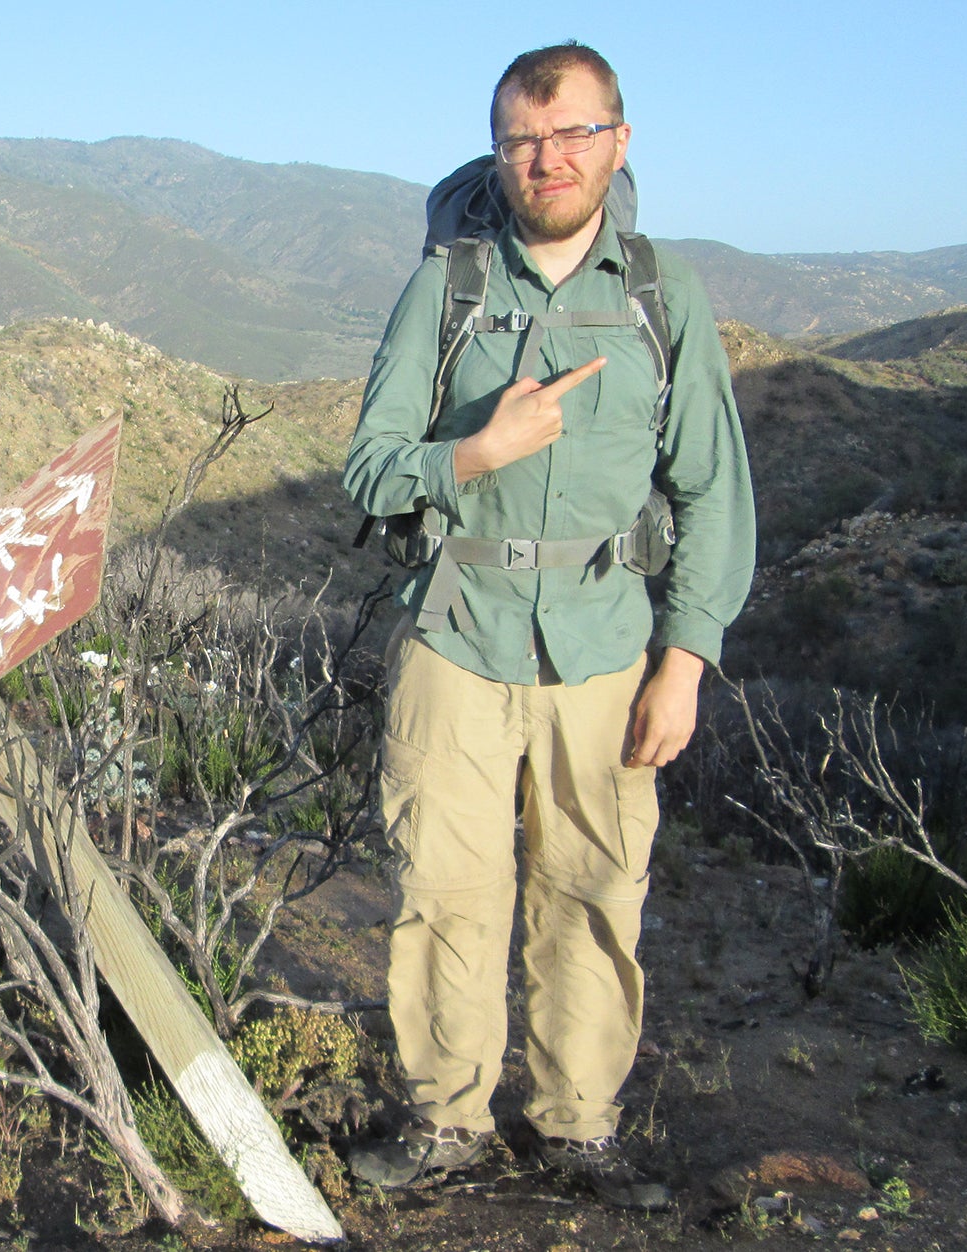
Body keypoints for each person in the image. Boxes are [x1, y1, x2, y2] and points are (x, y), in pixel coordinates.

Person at [340, 42, 755, 1207]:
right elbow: (369, 468)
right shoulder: (448, 286)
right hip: (456, 631)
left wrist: (684, 662)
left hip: (604, 645)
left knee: (591, 886)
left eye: (572, 132)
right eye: (523, 138)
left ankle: (577, 1127)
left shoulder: (662, 297)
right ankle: (444, 1121)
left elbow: (712, 490)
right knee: (445, 890)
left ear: (618, 141)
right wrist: (474, 452)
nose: (546, 158)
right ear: (498, 152)